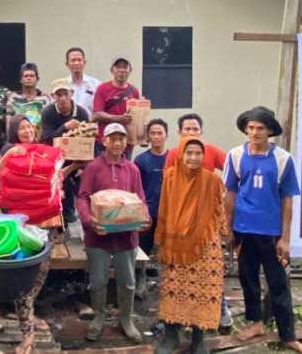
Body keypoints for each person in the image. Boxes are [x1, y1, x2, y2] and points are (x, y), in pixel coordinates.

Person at [224, 106, 302, 354]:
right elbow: (229, 193)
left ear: (270, 131)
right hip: (243, 229)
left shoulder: (283, 159)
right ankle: (256, 323)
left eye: (260, 128)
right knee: (247, 279)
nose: (254, 132)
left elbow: (287, 200)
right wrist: (228, 228)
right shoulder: (235, 155)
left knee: (278, 283)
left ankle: (289, 336)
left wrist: (285, 237)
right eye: (250, 127)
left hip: (271, 232)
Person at [76, 123, 148, 342]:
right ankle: (99, 317)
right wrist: (89, 220)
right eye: (112, 139)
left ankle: (126, 319)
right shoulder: (94, 167)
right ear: (104, 141)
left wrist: (145, 217)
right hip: (98, 236)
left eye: (121, 139)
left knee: (127, 281)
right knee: (98, 281)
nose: (117, 143)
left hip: (127, 237)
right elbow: (82, 197)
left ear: (126, 142)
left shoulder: (132, 169)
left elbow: (140, 199)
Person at [154, 138, 226, 354]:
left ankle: (198, 338)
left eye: (198, 153)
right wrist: (161, 238)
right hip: (175, 242)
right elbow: (164, 207)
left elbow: (218, 210)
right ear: (180, 154)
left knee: (202, 290)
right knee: (173, 289)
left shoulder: (212, 180)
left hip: (204, 244)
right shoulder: (170, 176)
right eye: (189, 153)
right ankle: (171, 336)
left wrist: (224, 235)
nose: (194, 158)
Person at [0, 115, 56, 354]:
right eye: (21, 127)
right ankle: (27, 335)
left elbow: (55, 178)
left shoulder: (44, 152)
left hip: (46, 224)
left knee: (40, 276)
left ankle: (29, 317)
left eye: (29, 126)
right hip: (22, 228)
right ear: (14, 131)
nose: (26, 130)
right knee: (23, 281)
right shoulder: (11, 152)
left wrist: (73, 166)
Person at [40, 78, 90, 223]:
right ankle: (63, 214)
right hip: (55, 156)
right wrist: (65, 127)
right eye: (58, 95)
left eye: (65, 94)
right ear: (53, 96)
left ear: (71, 93)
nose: (62, 98)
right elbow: (47, 138)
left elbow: (86, 138)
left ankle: (83, 212)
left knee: (86, 176)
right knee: (63, 180)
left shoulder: (81, 112)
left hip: (77, 154)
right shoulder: (48, 112)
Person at [133, 118, 168, 297]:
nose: (156, 136)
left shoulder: (174, 159)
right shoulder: (140, 160)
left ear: (166, 136)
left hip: (169, 214)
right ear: (148, 136)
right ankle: (141, 281)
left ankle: (169, 284)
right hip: (147, 213)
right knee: (142, 250)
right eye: (153, 133)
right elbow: (136, 189)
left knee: (168, 251)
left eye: (159, 133)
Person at [92, 55, 140, 157]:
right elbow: (96, 114)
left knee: (124, 171)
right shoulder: (102, 89)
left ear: (130, 70)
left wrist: (142, 137)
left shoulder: (134, 91)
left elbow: (137, 119)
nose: (121, 70)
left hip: (125, 144)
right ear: (112, 70)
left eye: (125, 67)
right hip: (104, 143)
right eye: (118, 67)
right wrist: (118, 118)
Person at [6, 62, 52, 130]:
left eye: (32, 76)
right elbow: (8, 122)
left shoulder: (44, 99)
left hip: (39, 138)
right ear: (21, 80)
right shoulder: (13, 98)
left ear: (37, 79)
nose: (29, 78)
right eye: (26, 76)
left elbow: (48, 122)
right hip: (18, 137)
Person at [64, 47, 100, 116]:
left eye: (79, 60)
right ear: (67, 64)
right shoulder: (63, 85)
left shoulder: (95, 84)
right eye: (73, 60)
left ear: (84, 62)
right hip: (68, 125)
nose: (76, 63)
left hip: (90, 124)